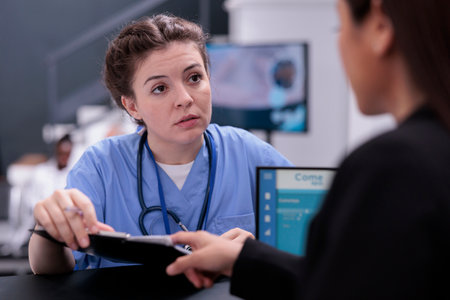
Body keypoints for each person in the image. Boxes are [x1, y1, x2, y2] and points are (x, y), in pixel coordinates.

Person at [166, 0, 450, 298]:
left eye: (340, 28)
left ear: (380, 26)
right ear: (131, 105)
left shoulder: (393, 167)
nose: (184, 99)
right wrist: (244, 259)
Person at [28, 14, 291, 274]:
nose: (185, 98)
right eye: (160, 88)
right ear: (132, 106)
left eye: (195, 78)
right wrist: (48, 230)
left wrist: (258, 255)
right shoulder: (102, 165)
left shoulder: (251, 155)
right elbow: (50, 268)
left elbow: (312, 250)